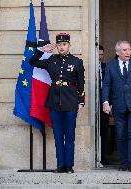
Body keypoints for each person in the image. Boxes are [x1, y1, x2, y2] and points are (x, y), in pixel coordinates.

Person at [29, 33, 85, 173]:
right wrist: (42, 50)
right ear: (57, 46)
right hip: (54, 102)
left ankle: (69, 166)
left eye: (64, 44)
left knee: (70, 135)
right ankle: (60, 165)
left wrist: (81, 102)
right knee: (58, 135)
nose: (61, 47)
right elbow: (32, 62)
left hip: (71, 102)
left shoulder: (77, 61)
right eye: (59, 45)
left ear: (69, 46)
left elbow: (81, 84)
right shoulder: (51, 60)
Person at [102, 41, 131, 172]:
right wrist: (105, 101)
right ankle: (123, 162)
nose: (128, 52)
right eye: (124, 50)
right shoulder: (111, 66)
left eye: (129, 49)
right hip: (118, 105)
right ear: (117, 52)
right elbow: (106, 85)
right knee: (121, 134)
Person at [99, 45, 110, 165]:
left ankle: (103, 156)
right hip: (93, 104)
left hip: (105, 104)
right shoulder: (90, 67)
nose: (100, 57)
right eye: (98, 54)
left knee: (104, 130)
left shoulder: (106, 67)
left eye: (102, 55)